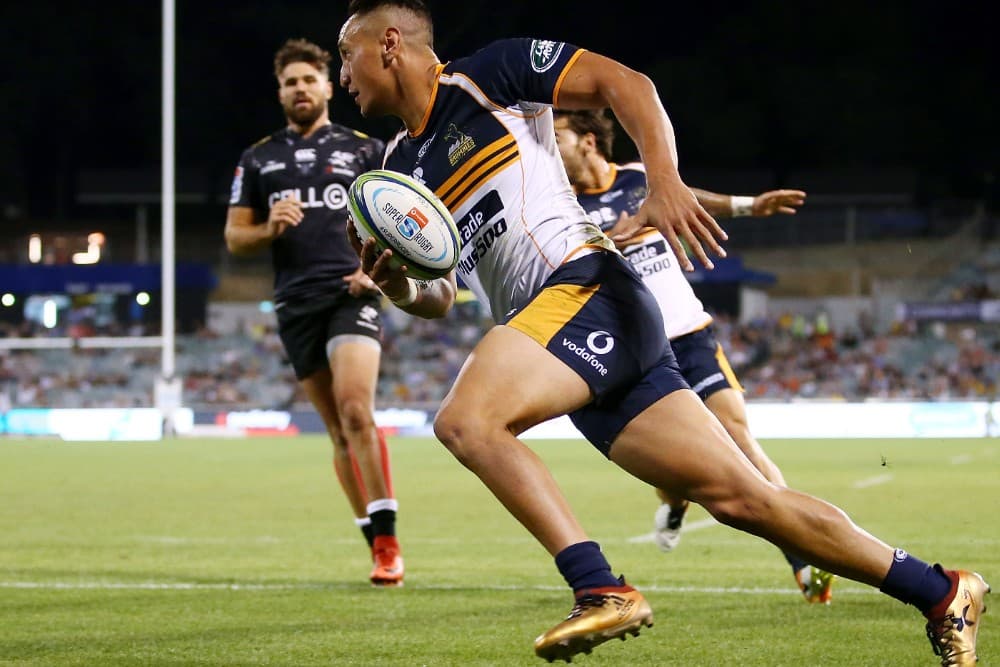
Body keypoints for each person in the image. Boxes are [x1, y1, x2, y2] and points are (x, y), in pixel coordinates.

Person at [337, 2, 989, 663]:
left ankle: (599, 587)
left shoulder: (488, 75)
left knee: (466, 421)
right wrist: (396, 287)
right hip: (566, 328)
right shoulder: (401, 166)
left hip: (586, 290)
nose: (342, 77)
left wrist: (666, 181)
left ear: (389, 44)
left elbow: (630, 84)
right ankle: (942, 591)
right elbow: (442, 295)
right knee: (746, 500)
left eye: (345, 56)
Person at [553, 108, 835, 604]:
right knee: (673, 471)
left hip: (687, 334)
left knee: (738, 437)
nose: (550, 149)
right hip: (635, 349)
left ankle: (802, 560)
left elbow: (689, 199)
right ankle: (675, 503)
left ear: (590, 141)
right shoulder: (563, 210)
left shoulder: (639, 178)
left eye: (558, 137)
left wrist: (751, 207)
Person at [225, 38, 404, 587]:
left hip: (352, 293)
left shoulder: (365, 150)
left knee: (356, 410)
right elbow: (235, 237)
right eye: (289, 82)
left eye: (309, 79)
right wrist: (268, 228)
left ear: (328, 86)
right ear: (280, 93)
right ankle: (374, 543)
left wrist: (373, 268)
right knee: (336, 431)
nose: (300, 89)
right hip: (294, 303)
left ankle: (391, 542)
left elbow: (402, 216)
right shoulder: (258, 159)